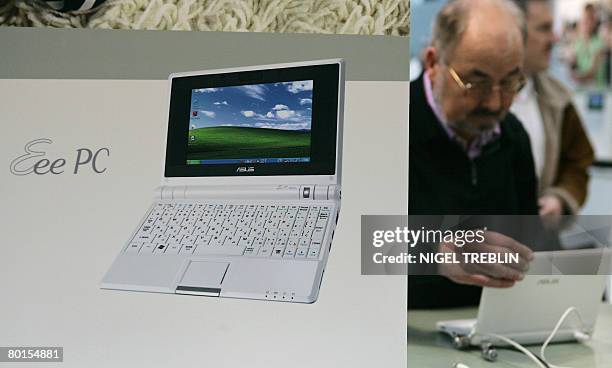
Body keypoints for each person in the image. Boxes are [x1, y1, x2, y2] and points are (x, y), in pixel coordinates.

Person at [408, 0, 540, 309]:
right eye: (476, 82)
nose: (495, 103)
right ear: (433, 62)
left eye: (510, 82)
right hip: (405, 330)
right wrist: (435, 252)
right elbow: (353, 241)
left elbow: (531, 242)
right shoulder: (390, 125)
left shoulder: (512, 136)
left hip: (491, 331)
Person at [510, 0, 595, 219]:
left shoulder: (557, 99)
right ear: (511, 32)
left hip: (535, 242)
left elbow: (577, 161)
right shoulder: (473, 100)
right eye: (544, 28)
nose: (555, 38)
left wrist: (560, 197)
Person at [570, 3, 607, 87]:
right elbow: (573, 62)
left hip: (596, 89)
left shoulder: (600, 43)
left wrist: (576, 77)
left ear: (595, 22)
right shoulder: (577, 42)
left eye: (591, 19)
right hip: (580, 87)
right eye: (585, 19)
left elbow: (592, 72)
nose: (587, 23)